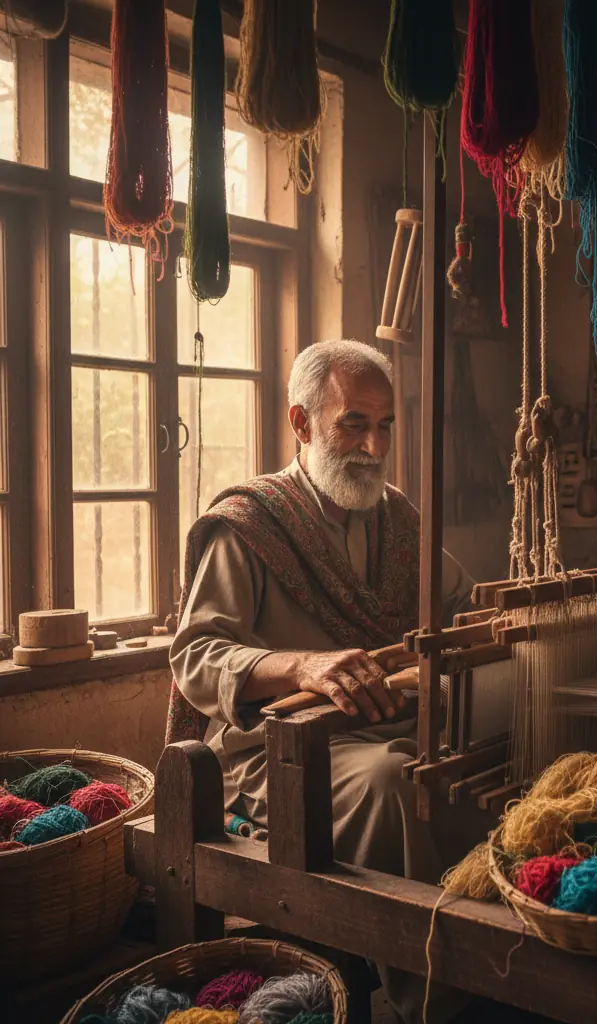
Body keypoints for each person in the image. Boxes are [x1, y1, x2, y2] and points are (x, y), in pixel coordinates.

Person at [167, 339, 480, 1022]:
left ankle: (500, 970)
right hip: (280, 756)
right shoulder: (248, 525)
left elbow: (467, 606)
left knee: (477, 761)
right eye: (353, 423)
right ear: (301, 423)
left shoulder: (398, 521)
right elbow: (195, 655)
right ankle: (432, 998)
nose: (374, 444)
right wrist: (302, 665)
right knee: (390, 783)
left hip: (388, 729)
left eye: (385, 424)